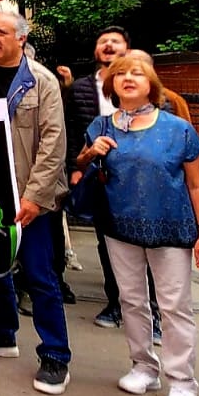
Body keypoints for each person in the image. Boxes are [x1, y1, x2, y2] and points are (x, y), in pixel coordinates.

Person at [76, 55, 199, 396]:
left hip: (169, 226)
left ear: (151, 82)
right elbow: (80, 164)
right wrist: (92, 151)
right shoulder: (101, 125)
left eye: (136, 73)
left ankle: (182, 381)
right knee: (131, 300)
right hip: (119, 227)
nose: (127, 78)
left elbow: (198, 184)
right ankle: (143, 367)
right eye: (119, 74)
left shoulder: (177, 128)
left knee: (173, 306)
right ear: (110, 84)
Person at [0, 10, 72, 395]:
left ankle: (55, 355)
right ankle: (1, 333)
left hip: (28, 195)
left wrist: (35, 197)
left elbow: (53, 145)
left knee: (40, 276)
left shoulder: (43, 82)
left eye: (1, 31)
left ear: (21, 38)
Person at [64, 25, 132, 327]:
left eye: (115, 42)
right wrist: (75, 169)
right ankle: (115, 303)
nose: (108, 46)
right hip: (96, 173)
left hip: (136, 177)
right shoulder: (79, 89)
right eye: (103, 42)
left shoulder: (137, 83)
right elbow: (69, 130)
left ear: (126, 50)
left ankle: (152, 311)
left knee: (145, 245)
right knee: (108, 244)